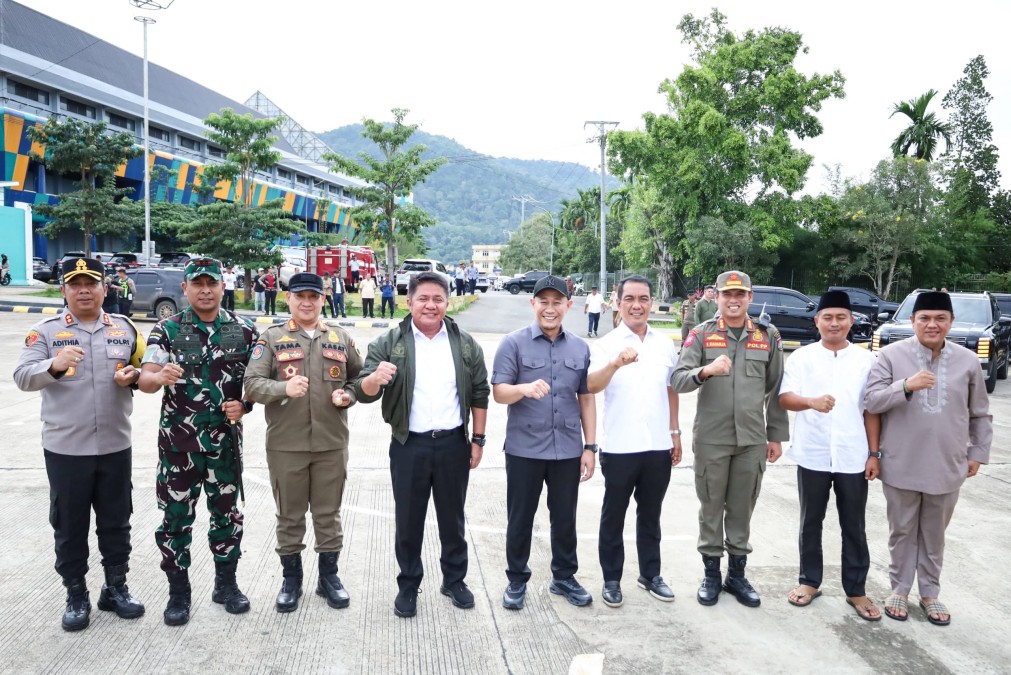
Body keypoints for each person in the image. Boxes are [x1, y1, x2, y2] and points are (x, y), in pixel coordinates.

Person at [14, 257, 146, 631]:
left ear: (106, 288)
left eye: (91, 283)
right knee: (70, 525)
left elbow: (141, 369)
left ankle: (115, 587)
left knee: (117, 522)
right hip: (66, 449)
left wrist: (133, 377)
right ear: (64, 290)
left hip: (115, 445)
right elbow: (23, 377)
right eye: (76, 284)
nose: (84, 290)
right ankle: (76, 593)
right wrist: (54, 365)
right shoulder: (45, 333)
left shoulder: (125, 328)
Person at [352, 271, 489, 618]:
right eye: (423, 299)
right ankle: (409, 585)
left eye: (438, 299)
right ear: (408, 302)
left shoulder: (465, 344)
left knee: (452, 519)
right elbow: (363, 392)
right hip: (408, 444)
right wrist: (373, 379)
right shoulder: (389, 342)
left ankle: (454, 580)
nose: (431, 305)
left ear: (447, 302)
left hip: (453, 444)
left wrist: (478, 440)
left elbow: (479, 392)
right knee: (408, 520)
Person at [137, 257, 259, 626]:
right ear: (185, 289)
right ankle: (179, 592)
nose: (205, 290)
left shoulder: (245, 330)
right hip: (179, 447)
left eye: (212, 283)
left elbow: (257, 383)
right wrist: (160, 378)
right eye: (197, 284)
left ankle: (226, 584)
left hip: (224, 445)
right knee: (176, 520)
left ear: (223, 287)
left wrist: (246, 404)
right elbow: (144, 380)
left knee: (228, 517)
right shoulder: (167, 331)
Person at [864, 290, 992, 626]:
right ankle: (899, 589)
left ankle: (930, 592)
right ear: (912, 321)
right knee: (902, 530)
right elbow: (871, 401)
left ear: (950, 322)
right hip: (900, 463)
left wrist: (977, 452)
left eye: (940, 318)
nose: (932, 325)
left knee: (934, 533)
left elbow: (980, 413)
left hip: (948, 464)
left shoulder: (967, 361)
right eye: (925, 318)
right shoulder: (890, 356)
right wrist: (905, 385)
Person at [244, 273, 364, 613]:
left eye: (314, 296)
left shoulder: (339, 338)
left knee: (328, 514)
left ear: (323, 299)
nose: (307, 302)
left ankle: (329, 578)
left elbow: (359, 375)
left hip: (330, 442)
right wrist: (283, 388)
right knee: (290, 515)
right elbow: (251, 384)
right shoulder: (271, 338)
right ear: (289, 299)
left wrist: (349, 394)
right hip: (286, 445)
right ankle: (291, 580)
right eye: (300, 296)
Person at [671, 270, 788, 607]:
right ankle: (711, 574)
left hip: (752, 438)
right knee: (711, 507)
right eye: (727, 295)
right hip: (712, 438)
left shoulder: (768, 336)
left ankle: (737, 575)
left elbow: (775, 389)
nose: (733, 301)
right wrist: (705, 371)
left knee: (741, 508)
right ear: (717, 298)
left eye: (740, 295)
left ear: (750, 298)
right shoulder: (701, 335)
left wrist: (776, 435)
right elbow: (678, 379)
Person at [493, 275, 597, 610]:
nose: (549, 309)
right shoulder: (513, 343)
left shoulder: (580, 348)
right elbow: (498, 393)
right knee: (520, 517)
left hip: (567, 449)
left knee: (564, 518)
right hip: (525, 449)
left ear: (569, 305)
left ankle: (564, 577)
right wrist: (523, 388)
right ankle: (516, 580)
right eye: (543, 302)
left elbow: (586, 398)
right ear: (532, 304)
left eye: (557, 302)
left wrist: (590, 447)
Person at [778, 290, 882, 621]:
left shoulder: (867, 361)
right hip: (813, 453)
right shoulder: (801, 358)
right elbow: (785, 397)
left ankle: (856, 590)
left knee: (854, 524)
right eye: (828, 317)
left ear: (851, 321)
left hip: (853, 455)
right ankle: (810, 581)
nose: (834, 323)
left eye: (841, 317)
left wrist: (874, 453)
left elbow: (872, 410)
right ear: (816, 321)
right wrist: (810, 402)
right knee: (811, 521)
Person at [587, 274, 680, 608]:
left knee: (651, 514)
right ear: (618, 301)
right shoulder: (606, 344)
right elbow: (592, 386)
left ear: (651, 303)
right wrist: (615, 363)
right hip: (620, 446)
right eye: (630, 299)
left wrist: (675, 431)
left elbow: (671, 389)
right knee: (613, 516)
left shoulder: (664, 343)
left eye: (643, 299)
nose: (637, 305)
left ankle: (650, 575)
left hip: (657, 445)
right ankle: (612, 579)